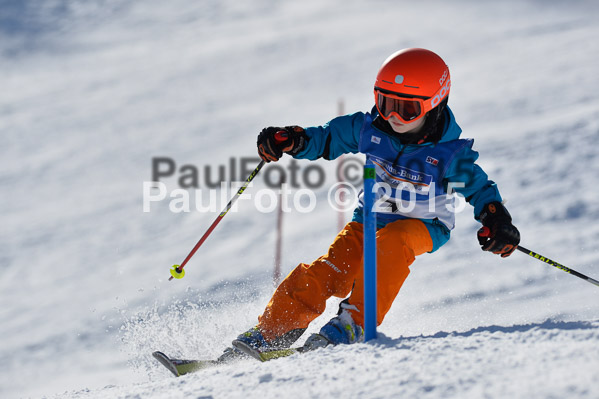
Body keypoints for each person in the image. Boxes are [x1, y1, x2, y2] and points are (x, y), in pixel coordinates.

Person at [226, 48, 520, 359]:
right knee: (329, 270)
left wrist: (496, 220)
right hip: (368, 219)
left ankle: (354, 323)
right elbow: (325, 139)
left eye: (406, 109)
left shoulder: (448, 154)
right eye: (386, 103)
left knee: (392, 243)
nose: (393, 117)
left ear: (434, 105)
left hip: (424, 224)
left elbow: (478, 189)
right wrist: (292, 141)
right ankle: (273, 330)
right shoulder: (369, 129)